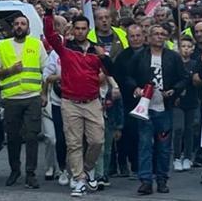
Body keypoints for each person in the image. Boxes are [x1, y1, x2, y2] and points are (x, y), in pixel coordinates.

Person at [45, 13, 113, 197]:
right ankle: (79, 180)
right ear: (72, 29)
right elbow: (50, 35)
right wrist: (49, 14)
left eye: (84, 28)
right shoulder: (65, 49)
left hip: (92, 102)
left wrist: (104, 58)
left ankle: (88, 169)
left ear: (88, 30)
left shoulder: (96, 51)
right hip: (70, 103)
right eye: (78, 28)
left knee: (97, 140)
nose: (81, 31)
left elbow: (110, 71)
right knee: (74, 144)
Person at [128, 24, 186, 195]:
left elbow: (183, 78)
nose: (159, 37)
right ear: (149, 36)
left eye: (163, 34)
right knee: (145, 145)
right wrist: (135, 88)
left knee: (164, 146)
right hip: (145, 109)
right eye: (156, 34)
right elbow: (128, 76)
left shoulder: (173, 57)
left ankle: (162, 179)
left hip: (164, 109)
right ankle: (145, 181)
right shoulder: (139, 56)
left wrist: (174, 90)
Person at [0, 14, 47, 189]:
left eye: (23, 24)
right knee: (14, 138)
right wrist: (10, 70)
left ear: (28, 27)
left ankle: (30, 174)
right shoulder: (2, 46)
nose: (19, 26)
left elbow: (46, 70)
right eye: (16, 24)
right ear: (12, 27)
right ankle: (14, 170)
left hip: (32, 97)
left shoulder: (36, 45)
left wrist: (44, 94)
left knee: (32, 136)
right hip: (11, 99)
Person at [113, 21, 147, 178]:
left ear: (144, 36)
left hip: (148, 99)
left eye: (138, 35)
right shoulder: (122, 56)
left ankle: (139, 164)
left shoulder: (149, 53)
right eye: (132, 36)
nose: (136, 39)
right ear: (127, 38)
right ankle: (124, 162)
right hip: (127, 100)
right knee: (127, 133)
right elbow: (119, 76)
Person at [42, 16, 69, 186]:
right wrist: (60, 77)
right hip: (57, 101)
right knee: (57, 137)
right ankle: (61, 168)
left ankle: (78, 169)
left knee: (75, 138)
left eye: (62, 26)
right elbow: (46, 76)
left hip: (76, 100)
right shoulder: (54, 53)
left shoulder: (78, 49)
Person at [172, 37, 201, 173]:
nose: (186, 49)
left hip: (191, 100)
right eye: (183, 46)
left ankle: (188, 156)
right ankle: (177, 157)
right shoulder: (175, 63)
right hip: (177, 101)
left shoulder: (195, 63)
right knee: (178, 129)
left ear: (193, 49)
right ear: (179, 48)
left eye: (189, 46)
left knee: (190, 129)